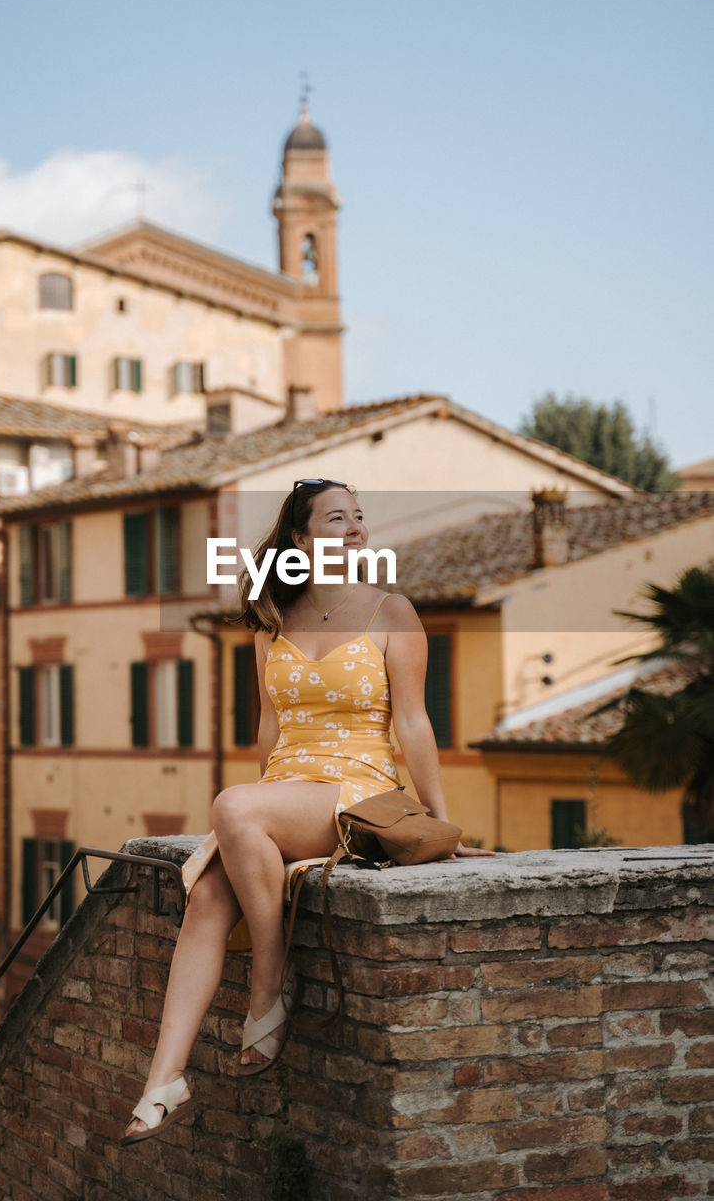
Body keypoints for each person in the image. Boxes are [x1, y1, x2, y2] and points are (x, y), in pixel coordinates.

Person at [122, 478, 493, 1144]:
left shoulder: (392, 612)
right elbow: (269, 729)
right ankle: (162, 1079)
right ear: (298, 540)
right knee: (208, 896)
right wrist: (260, 813)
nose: (353, 529)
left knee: (232, 806)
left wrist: (440, 823)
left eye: (358, 517)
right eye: (335, 518)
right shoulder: (272, 621)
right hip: (288, 793)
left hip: (358, 789)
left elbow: (413, 722)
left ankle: (268, 982)